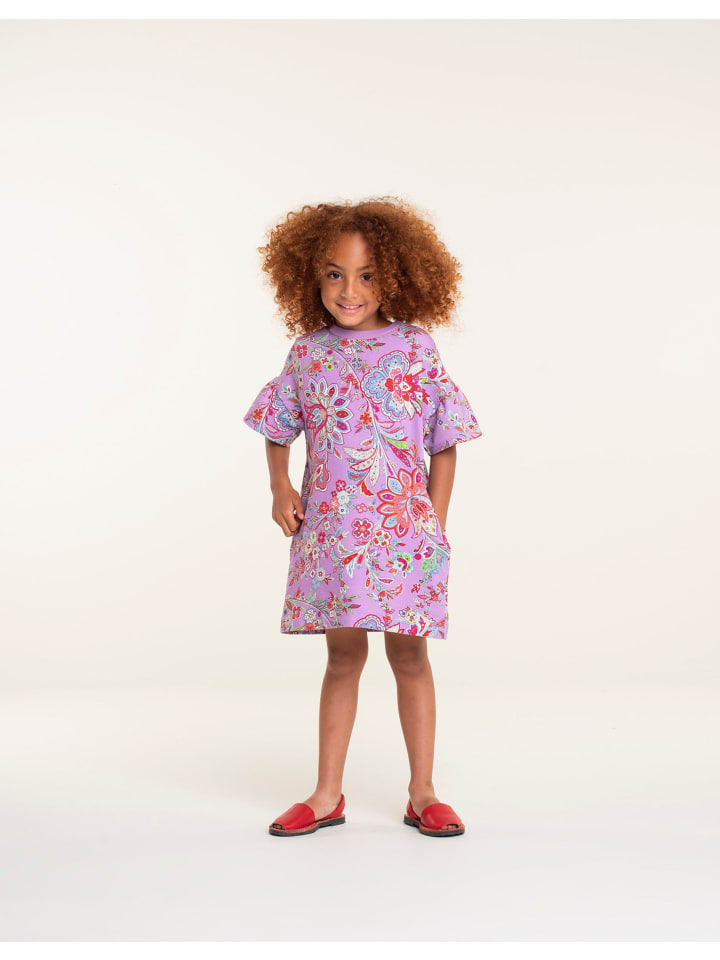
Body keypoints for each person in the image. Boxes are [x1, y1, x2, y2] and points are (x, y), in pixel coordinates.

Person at [243, 197, 483, 838]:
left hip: (405, 536)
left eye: (368, 275)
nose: (349, 291)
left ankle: (423, 791)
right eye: (334, 274)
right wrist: (279, 486)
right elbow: (277, 426)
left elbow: (445, 441)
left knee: (410, 657)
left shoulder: (415, 349)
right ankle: (326, 794)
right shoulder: (308, 355)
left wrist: (434, 521)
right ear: (310, 277)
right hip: (333, 535)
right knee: (343, 657)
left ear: (396, 276)